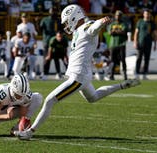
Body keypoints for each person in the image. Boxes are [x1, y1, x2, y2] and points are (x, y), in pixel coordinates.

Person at [14, 4, 141, 140]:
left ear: (74, 17)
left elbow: (93, 27)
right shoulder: (79, 30)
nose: (67, 24)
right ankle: (122, 85)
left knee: (50, 101)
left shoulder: (87, 26)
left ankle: (29, 132)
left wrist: (101, 22)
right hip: (82, 74)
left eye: (68, 20)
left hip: (78, 76)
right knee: (93, 97)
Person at [134, 9, 157, 80]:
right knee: (139, 58)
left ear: (149, 15)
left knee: (147, 58)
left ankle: (144, 73)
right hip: (140, 42)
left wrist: (155, 44)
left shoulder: (152, 23)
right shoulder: (140, 22)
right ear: (143, 14)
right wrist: (135, 42)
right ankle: (137, 72)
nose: (147, 15)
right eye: (146, 14)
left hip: (149, 43)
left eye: (148, 14)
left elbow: (155, 34)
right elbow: (136, 33)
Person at [108, 10, 128, 80]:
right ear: (115, 16)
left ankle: (125, 75)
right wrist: (119, 31)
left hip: (121, 44)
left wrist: (115, 31)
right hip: (113, 44)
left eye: (119, 15)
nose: (118, 16)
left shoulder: (124, 23)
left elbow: (124, 32)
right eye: (117, 15)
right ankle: (111, 75)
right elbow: (110, 33)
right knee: (112, 60)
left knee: (123, 59)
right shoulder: (112, 24)